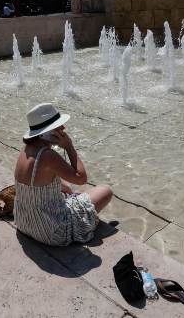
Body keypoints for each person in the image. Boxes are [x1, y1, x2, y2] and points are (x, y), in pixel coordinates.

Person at [13, 103, 113, 246]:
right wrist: (69, 146)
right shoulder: (47, 155)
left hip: (24, 222)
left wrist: (68, 190)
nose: (63, 129)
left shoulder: (26, 150)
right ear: (46, 133)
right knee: (105, 191)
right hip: (51, 232)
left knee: (67, 189)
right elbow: (81, 178)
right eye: (59, 126)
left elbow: (42, 184)